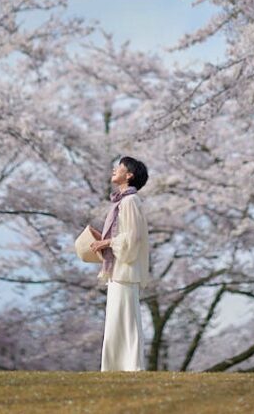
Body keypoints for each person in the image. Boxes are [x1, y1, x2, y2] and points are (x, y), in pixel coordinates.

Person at [89, 156, 149, 372]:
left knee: (125, 320)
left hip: (125, 270)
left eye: (119, 167)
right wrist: (103, 239)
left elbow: (133, 238)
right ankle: (116, 367)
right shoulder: (123, 202)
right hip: (119, 270)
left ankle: (131, 366)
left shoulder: (130, 201)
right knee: (117, 320)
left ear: (129, 175)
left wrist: (107, 241)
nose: (115, 169)